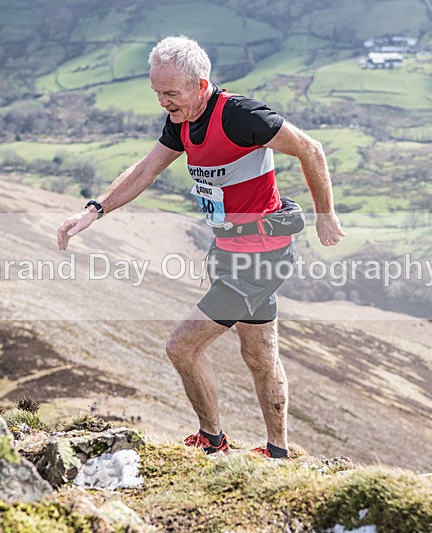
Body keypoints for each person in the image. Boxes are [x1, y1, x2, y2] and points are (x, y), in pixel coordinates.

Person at [57, 35, 345, 459]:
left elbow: (310, 149)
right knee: (260, 354)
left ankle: (212, 442)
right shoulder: (183, 120)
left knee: (182, 347)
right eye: (157, 93)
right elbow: (144, 171)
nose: (163, 103)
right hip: (229, 252)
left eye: (170, 93)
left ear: (200, 85)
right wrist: (94, 210)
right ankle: (278, 453)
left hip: (260, 256)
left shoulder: (239, 116)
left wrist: (326, 215)